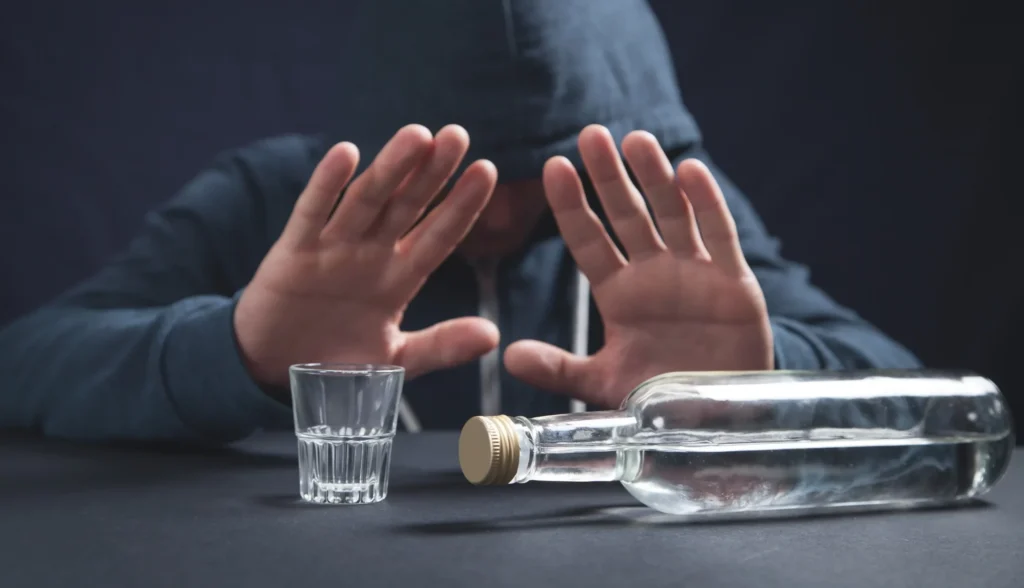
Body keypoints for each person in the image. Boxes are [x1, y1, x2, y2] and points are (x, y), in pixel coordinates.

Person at [0, 0, 920, 443]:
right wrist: (237, 351)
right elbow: (25, 361)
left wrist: (764, 378)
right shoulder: (278, 200)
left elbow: (905, 385)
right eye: (456, 163)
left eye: (541, 164)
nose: (499, 203)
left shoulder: (660, 218)